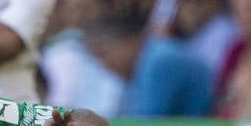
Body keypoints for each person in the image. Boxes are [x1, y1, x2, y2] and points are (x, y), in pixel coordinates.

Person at [86, 12, 215, 117]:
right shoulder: (144, 60)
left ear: (127, 41)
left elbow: (145, 123)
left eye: (104, 54)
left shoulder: (160, 60)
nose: (104, 64)